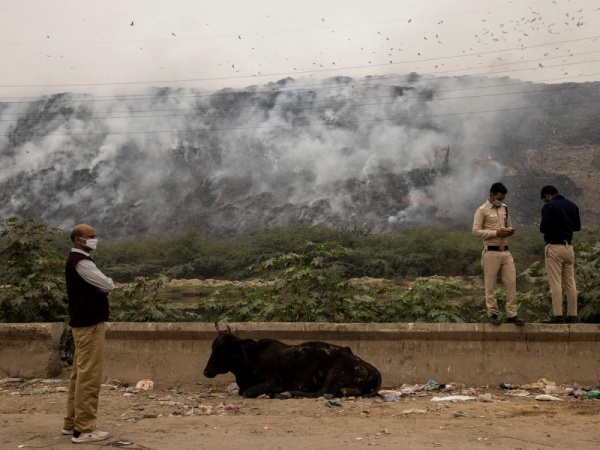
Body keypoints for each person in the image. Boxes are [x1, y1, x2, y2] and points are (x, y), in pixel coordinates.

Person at [63, 224, 114, 443]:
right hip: (90, 326)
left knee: (79, 375)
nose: (95, 239)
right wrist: (105, 285)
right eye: (91, 237)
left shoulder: (77, 260)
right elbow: (107, 284)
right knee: (89, 377)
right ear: (78, 240)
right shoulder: (81, 262)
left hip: (81, 325)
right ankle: (83, 429)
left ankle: (71, 423)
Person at [472, 182, 525, 325]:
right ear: (491, 195)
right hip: (491, 251)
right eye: (499, 198)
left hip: (505, 250)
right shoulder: (482, 210)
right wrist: (495, 232)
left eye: (502, 199)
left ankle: (512, 314)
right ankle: (493, 313)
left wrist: (509, 231)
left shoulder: (505, 209)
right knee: (491, 285)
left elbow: (508, 225)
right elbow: (476, 231)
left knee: (511, 282)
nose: (500, 201)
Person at [539, 185, 581, 324]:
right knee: (570, 282)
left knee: (555, 283)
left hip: (554, 247)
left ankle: (558, 315)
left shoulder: (548, 207)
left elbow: (544, 228)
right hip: (568, 247)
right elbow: (577, 227)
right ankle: (572, 315)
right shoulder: (572, 205)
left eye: (545, 199)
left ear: (547, 196)